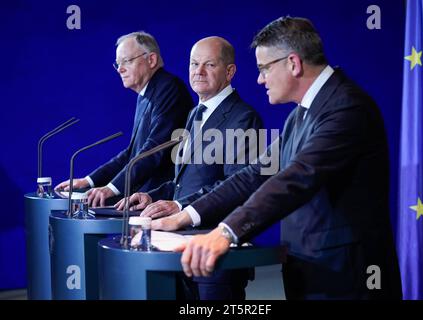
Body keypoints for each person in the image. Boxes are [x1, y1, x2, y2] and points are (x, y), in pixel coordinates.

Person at [153, 17, 403, 300]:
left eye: (263, 69)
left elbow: (295, 178)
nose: (260, 79)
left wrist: (225, 232)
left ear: (293, 63)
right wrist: (185, 215)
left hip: (348, 277)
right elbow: (254, 174)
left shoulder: (347, 107)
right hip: (307, 268)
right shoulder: (298, 116)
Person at [116, 36, 263, 300]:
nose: (198, 71)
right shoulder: (193, 114)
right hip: (181, 246)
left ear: (229, 72)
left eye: (209, 64)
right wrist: (154, 195)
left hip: (215, 251)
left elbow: (238, 186)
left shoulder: (244, 118)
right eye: (194, 64)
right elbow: (182, 181)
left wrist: (182, 207)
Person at [55, 31, 193, 207]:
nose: (120, 69)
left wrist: (111, 189)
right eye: (118, 64)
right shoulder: (146, 93)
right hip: (144, 192)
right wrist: (89, 181)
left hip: (162, 197)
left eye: (126, 61)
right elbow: (131, 153)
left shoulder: (169, 88)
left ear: (151, 60)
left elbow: (154, 148)